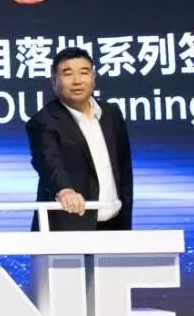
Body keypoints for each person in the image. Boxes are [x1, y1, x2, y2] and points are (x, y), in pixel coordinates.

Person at [25, 46, 133, 231]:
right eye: (67, 74)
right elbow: (48, 161)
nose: (77, 81)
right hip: (68, 226)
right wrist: (64, 190)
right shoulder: (43, 121)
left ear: (93, 77)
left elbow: (123, 168)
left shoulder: (111, 113)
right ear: (53, 81)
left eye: (84, 72)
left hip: (115, 224)